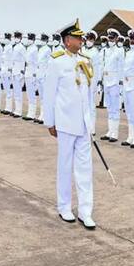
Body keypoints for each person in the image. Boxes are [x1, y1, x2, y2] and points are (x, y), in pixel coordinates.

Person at [43, 20, 96, 229]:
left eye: (81, 37)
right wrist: (50, 121)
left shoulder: (86, 61)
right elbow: (49, 94)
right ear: (67, 40)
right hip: (65, 122)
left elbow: (89, 95)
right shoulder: (57, 61)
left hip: (83, 124)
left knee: (85, 169)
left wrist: (91, 121)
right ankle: (64, 207)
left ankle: (85, 211)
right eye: (77, 37)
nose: (81, 40)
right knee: (65, 167)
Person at [100, 28, 124, 142]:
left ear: (116, 39)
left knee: (115, 108)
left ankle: (114, 133)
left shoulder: (119, 51)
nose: (110, 40)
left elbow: (121, 67)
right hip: (106, 81)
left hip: (114, 82)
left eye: (112, 38)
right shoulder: (106, 51)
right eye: (109, 38)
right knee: (109, 108)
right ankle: (110, 131)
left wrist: (120, 82)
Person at [81, 30, 103, 133]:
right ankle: (84, 126)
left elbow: (97, 69)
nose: (89, 41)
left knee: (91, 105)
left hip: (91, 80)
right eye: (88, 39)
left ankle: (91, 128)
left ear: (94, 41)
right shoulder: (82, 50)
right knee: (83, 104)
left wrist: (96, 82)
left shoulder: (95, 52)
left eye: (91, 39)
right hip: (82, 80)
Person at [35, 33, 51, 124]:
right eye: (42, 39)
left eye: (44, 39)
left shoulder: (48, 49)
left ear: (47, 40)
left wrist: (46, 75)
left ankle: (45, 115)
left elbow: (49, 64)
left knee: (45, 97)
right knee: (41, 96)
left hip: (44, 75)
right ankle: (41, 114)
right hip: (39, 74)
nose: (42, 41)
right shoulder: (40, 49)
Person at [23, 33, 39, 120]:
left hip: (32, 72)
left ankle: (32, 114)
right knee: (29, 94)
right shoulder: (28, 48)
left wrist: (35, 74)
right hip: (28, 72)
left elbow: (36, 62)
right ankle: (30, 112)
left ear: (33, 39)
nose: (29, 40)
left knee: (32, 94)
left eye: (30, 38)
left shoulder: (35, 49)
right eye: (28, 38)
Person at [11, 31, 26, 118]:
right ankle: (16, 110)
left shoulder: (22, 47)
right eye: (15, 37)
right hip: (14, 70)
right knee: (16, 92)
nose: (16, 38)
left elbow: (24, 60)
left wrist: (22, 71)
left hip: (19, 71)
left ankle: (19, 111)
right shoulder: (15, 46)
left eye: (17, 37)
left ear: (20, 38)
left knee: (19, 92)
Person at [1, 33, 14, 114]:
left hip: (8, 71)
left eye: (7, 37)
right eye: (5, 37)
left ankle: (9, 108)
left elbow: (12, 59)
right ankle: (6, 107)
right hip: (4, 70)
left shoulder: (10, 47)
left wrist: (10, 70)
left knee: (9, 90)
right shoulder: (6, 47)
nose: (6, 39)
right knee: (6, 90)